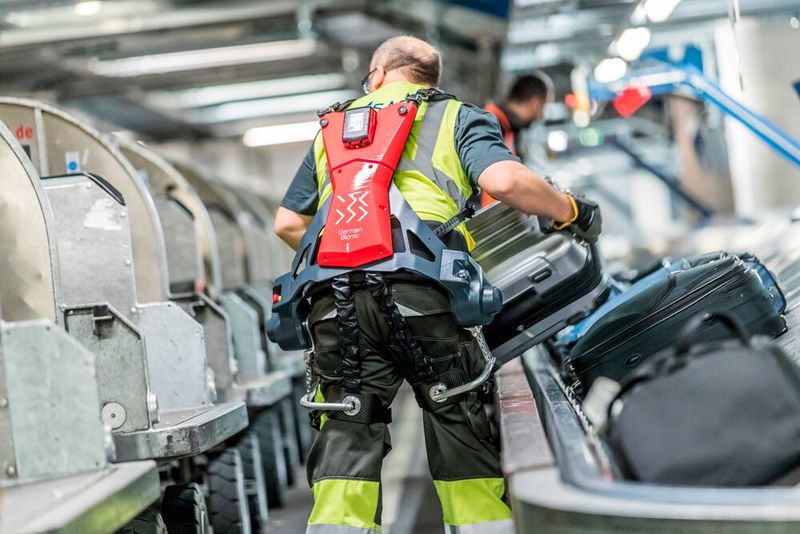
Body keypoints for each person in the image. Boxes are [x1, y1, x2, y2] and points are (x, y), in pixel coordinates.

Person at [274, 35, 600, 534]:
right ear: (430, 79)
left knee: (347, 429)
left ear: (378, 74)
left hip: (333, 302)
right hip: (423, 294)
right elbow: (505, 181)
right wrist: (569, 210)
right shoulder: (455, 116)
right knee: (456, 417)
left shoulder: (332, 129)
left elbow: (287, 223)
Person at [484, 73, 551, 160]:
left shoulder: (506, 127)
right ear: (535, 104)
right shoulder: (491, 124)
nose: (541, 116)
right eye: (543, 107)